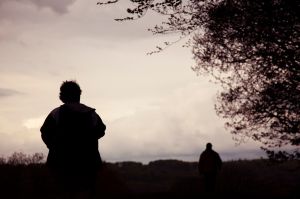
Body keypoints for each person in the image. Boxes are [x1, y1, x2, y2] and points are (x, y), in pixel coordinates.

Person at [40, 80, 106, 198]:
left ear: (62, 96)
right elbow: (101, 131)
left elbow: (44, 132)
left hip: (60, 166)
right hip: (88, 166)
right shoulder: (91, 114)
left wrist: (54, 147)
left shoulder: (56, 113)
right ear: (79, 94)